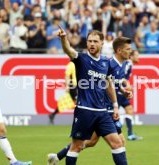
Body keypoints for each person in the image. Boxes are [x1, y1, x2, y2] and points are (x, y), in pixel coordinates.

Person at [47, 37, 133, 165]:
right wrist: (113, 105)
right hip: (102, 109)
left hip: (104, 110)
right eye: (128, 49)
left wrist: (122, 91)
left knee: (92, 142)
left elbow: (111, 82)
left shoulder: (119, 64)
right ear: (119, 50)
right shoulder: (111, 63)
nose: (130, 51)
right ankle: (59, 156)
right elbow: (102, 85)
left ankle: (57, 157)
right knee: (117, 142)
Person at [122, 50, 143, 141]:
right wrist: (128, 85)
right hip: (119, 91)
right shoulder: (128, 64)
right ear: (131, 57)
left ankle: (130, 134)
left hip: (122, 91)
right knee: (108, 114)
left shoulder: (129, 64)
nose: (138, 57)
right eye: (137, 55)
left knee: (129, 109)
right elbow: (120, 76)